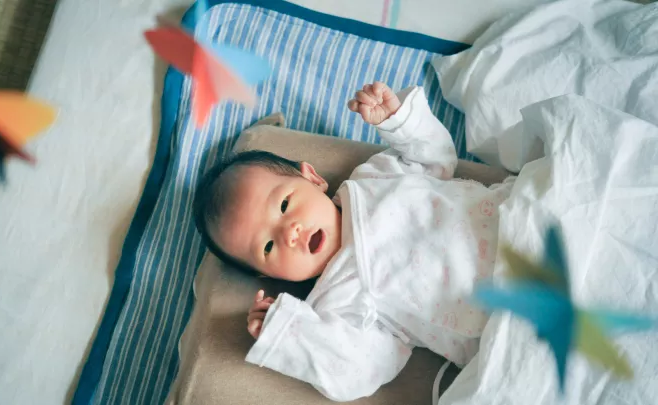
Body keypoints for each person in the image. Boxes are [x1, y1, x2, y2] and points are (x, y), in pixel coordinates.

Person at [192, 82, 514, 401]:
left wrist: (398, 121)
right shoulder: (335, 303)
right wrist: (290, 332)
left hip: (517, 220)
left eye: (285, 205)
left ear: (313, 178)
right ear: (272, 276)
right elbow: (361, 368)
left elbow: (437, 160)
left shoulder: (373, 178)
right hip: (507, 317)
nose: (290, 232)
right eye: (268, 247)